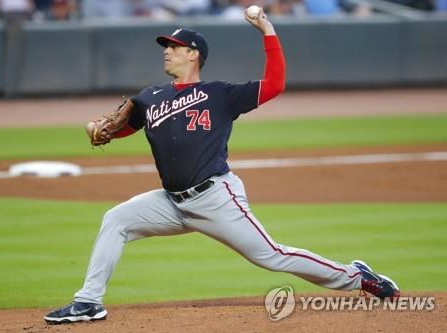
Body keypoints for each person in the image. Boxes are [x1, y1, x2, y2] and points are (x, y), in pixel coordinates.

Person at [44, 7, 400, 324]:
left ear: (193, 54)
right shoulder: (150, 97)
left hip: (216, 198)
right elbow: (126, 128)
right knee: (116, 219)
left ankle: (358, 277)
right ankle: (89, 302)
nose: (166, 51)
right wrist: (104, 132)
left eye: (173, 46)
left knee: (271, 256)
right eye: (165, 46)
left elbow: (275, 84)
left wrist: (267, 31)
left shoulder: (220, 94)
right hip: (170, 202)